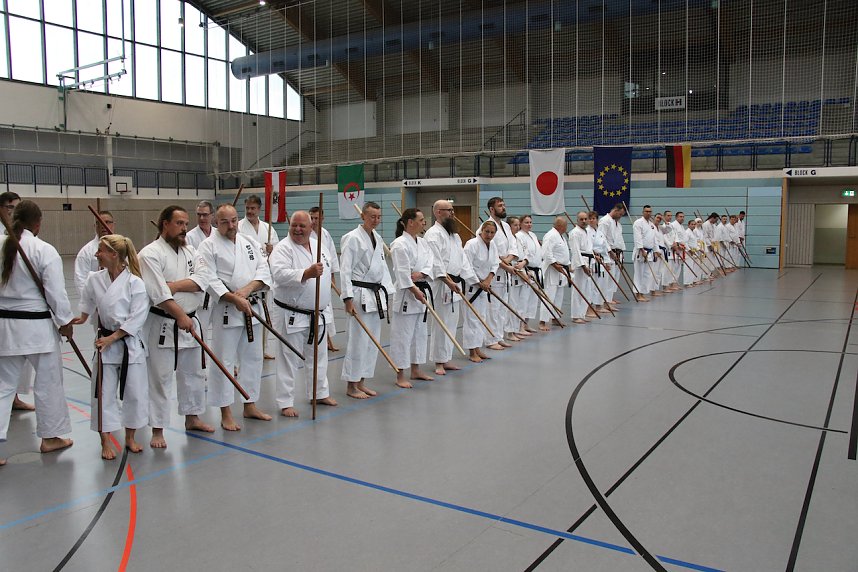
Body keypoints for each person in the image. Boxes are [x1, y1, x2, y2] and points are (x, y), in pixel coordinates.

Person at [0, 200, 75, 465]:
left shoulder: (0, 245)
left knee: (2, 386)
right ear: (38, 223)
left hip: (5, 328)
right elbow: (56, 293)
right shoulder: (43, 249)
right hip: (37, 329)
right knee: (48, 383)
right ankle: (51, 437)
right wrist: (65, 322)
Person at [139, 206, 214, 449]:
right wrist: (180, 315)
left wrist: (175, 285)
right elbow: (157, 292)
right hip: (164, 323)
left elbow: (203, 280)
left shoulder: (191, 251)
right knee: (160, 378)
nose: (184, 229)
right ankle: (158, 429)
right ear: (165, 225)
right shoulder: (149, 254)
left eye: (185, 223)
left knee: (193, 374)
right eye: (179, 223)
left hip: (191, 320)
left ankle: (192, 418)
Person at [196, 204, 272, 431]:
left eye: (233, 220)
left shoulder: (249, 242)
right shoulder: (207, 246)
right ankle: (225, 411)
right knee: (224, 361)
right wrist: (234, 298)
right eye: (224, 222)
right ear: (215, 223)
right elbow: (208, 279)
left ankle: (250, 404)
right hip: (226, 311)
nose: (231, 226)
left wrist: (247, 291)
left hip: (252, 307)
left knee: (254, 358)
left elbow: (264, 271)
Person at [73, 234, 149, 460]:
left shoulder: (135, 283)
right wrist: (76, 321)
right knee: (102, 395)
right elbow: (86, 307)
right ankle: (105, 441)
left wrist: (113, 337)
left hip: (128, 345)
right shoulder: (94, 279)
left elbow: (137, 318)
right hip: (104, 345)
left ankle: (130, 437)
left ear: (113, 255)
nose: (96, 254)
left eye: (100, 250)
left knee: (134, 394)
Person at [269, 211, 338, 417]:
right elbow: (279, 275)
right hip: (291, 312)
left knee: (318, 355)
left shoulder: (319, 247)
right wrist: (306, 273)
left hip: (317, 312)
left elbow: (328, 273)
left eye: (302, 226)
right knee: (288, 358)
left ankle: (319, 392)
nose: (297, 230)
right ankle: (285, 401)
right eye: (294, 226)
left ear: (311, 228)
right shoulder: (282, 249)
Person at [339, 202, 394, 399]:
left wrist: (388, 291)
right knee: (357, 341)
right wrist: (347, 298)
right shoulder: (352, 238)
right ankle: (351, 385)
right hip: (359, 294)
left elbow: (382, 267)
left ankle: (361, 382)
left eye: (379, 217)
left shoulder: (377, 238)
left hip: (374, 294)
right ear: (363, 216)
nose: (376, 220)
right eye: (372, 217)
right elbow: (345, 269)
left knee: (371, 342)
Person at [423, 200, 476, 376]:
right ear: (438, 212)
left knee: (452, 323)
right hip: (441, 284)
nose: (453, 213)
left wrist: (473, 280)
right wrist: (447, 281)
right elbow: (435, 262)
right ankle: (438, 361)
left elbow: (463, 261)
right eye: (449, 210)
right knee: (441, 324)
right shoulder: (432, 235)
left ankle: (446, 358)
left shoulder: (455, 236)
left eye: (453, 210)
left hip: (455, 283)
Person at [389, 208, 435, 388]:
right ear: (410, 222)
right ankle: (400, 374)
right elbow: (402, 272)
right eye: (422, 220)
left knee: (420, 334)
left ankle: (416, 369)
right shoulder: (399, 244)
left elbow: (430, 262)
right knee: (403, 336)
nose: (424, 223)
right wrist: (414, 289)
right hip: (407, 295)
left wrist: (422, 273)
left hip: (421, 291)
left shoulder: (422, 243)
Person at [0, 191, 35, 412]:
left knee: (16, 361)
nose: (13, 213)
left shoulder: (21, 236)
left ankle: (13, 398)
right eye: (9, 208)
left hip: (19, 310)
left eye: (17, 208)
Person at [478, 197, 521, 345]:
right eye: (500, 206)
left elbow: (513, 246)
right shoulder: (485, 227)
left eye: (504, 205)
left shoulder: (506, 226)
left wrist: (508, 260)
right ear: (491, 209)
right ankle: (490, 340)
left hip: (506, 271)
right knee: (492, 308)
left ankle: (498, 336)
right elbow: (489, 253)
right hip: (494, 273)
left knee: (502, 307)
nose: (503, 207)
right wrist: (505, 265)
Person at [463, 221, 501, 361]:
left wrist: (489, 279)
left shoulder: (493, 246)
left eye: (492, 232)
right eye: (487, 232)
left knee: (482, 318)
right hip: (472, 287)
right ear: (481, 230)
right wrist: (479, 282)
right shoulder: (471, 244)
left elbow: (495, 263)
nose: (489, 235)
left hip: (485, 286)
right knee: (472, 319)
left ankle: (478, 348)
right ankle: (472, 351)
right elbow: (466, 266)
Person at [310, 207, 341, 353]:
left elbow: (332, 255)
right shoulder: (306, 234)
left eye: (316, 218)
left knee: (327, 310)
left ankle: (328, 340)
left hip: (325, 275)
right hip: (311, 276)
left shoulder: (326, 234)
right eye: (312, 218)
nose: (314, 221)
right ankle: (318, 340)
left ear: (322, 219)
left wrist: (333, 275)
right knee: (314, 309)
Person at [540, 216, 573, 331]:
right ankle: (542, 321)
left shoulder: (561, 236)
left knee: (559, 295)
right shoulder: (551, 235)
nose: (566, 228)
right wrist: (554, 264)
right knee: (549, 295)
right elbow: (546, 253)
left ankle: (555, 317)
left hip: (561, 270)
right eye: (565, 225)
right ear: (560, 226)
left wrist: (568, 266)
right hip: (552, 270)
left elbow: (563, 254)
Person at [74, 210, 116, 296]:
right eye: (99, 223)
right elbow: (80, 280)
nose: (103, 226)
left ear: (113, 224)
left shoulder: (122, 248)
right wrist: (90, 305)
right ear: (95, 226)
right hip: (96, 301)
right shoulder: (86, 252)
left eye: (107, 222)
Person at [515, 215, 543, 333]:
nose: (529, 224)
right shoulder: (519, 236)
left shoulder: (533, 235)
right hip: (526, 270)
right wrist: (524, 272)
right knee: (523, 300)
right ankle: (520, 326)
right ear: (520, 223)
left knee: (532, 300)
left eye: (530, 222)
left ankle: (526, 324)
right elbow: (523, 255)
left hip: (535, 270)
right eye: (526, 222)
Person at [506, 216, 532, 337]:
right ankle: (511, 332)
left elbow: (526, 254)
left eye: (518, 225)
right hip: (514, 272)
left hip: (522, 269)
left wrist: (524, 263)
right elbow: (510, 258)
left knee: (521, 303)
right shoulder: (508, 239)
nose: (517, 227)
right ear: (509, 226)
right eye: (514, 225)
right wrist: (520, 270)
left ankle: (518, 328)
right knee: (513, 303)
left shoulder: (519, 239)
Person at [569, 211, 597, 322]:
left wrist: (594, 258)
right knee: (578, 290)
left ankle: (582, 314)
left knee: (586, 290)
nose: (584, 221)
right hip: (580, 265)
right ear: (577, 220)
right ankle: (576, 316)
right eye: (581, 219)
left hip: (588, 261)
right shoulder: (575, 233)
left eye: (586, 219)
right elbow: (576, 251)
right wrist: (584, 266)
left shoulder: (585, 232)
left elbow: (589, 249)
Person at [588, 211, 618, 313]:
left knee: (602, 284)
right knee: (593, 285)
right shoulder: (587, 231)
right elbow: (587, 247)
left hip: (601, 260)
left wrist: (607, 261)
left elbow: (605, 247)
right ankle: (591, 307)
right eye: (590, 218)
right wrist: (594, 255)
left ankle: (599, 305)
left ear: (597, 220)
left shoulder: (600, 233)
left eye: (593, 218)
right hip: (592, 260)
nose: (591, 220)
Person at [598, 203, 627, 305]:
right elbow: (602, 238)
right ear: (615, 210)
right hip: (607, 253)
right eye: (620, 214)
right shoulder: (604, 221)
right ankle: (605, 301)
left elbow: (619, 239)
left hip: (616, 252)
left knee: (613, 278)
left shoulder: (617, 224)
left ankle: (609, 299)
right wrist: (609, 251)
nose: (620, 216)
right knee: (607, 278)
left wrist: (621, 251)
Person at [632, 205, 659, 300]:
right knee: (639, 274)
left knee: (647, 274)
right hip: (641, 251)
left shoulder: (652, 225)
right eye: (646, 211)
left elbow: (654, 239)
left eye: (650, 211)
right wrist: (641, 249)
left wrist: (657, 250)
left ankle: (642, 293)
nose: (648, 213)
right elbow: (637, 237)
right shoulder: (638, 223)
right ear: (643, 212)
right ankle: (637, 294)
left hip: (650, 252)